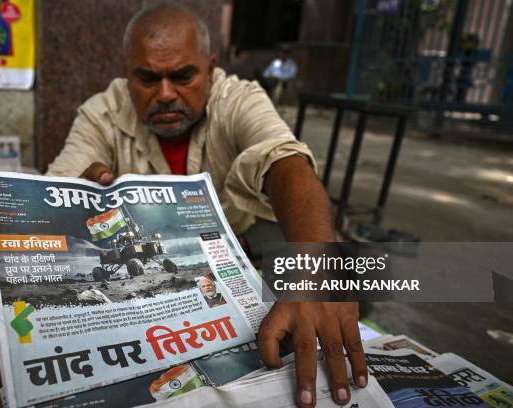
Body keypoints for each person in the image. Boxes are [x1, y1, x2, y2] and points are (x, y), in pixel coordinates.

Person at [47, 2, 366, 407]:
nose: (165, 94)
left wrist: (316, 271)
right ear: (127, 73)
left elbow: (285, 163)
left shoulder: (238, 98)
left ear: (210, 68)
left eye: (183, 76)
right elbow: (55, 185)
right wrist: (71, 197)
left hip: (242, 236)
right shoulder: (101, 113)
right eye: (146, 78)